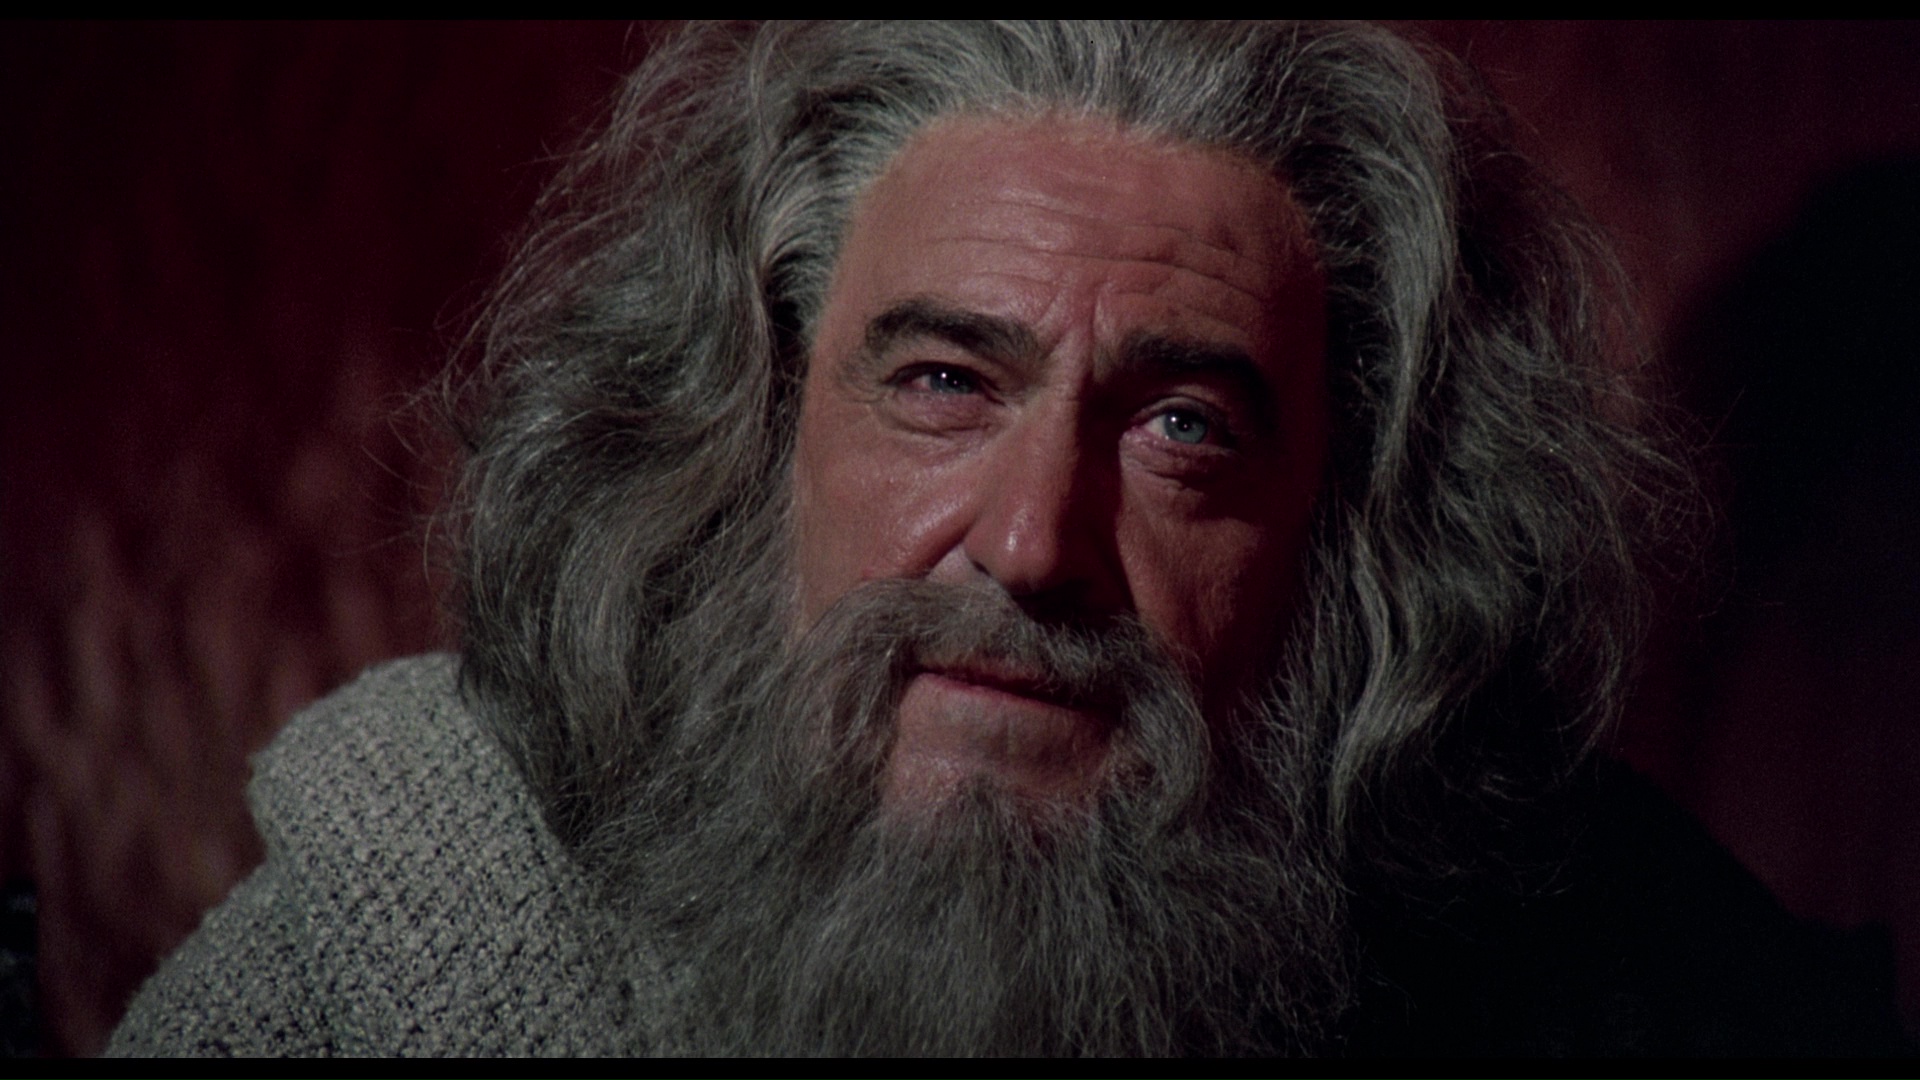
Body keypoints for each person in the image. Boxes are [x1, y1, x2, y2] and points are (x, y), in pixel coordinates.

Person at [108, 22, 1908, 1056]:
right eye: (945, 383)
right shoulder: (357, 977)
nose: (1038, 544)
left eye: (1185, 428)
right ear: (750, 438)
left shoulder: (1651, 986)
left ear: (1358, 543)